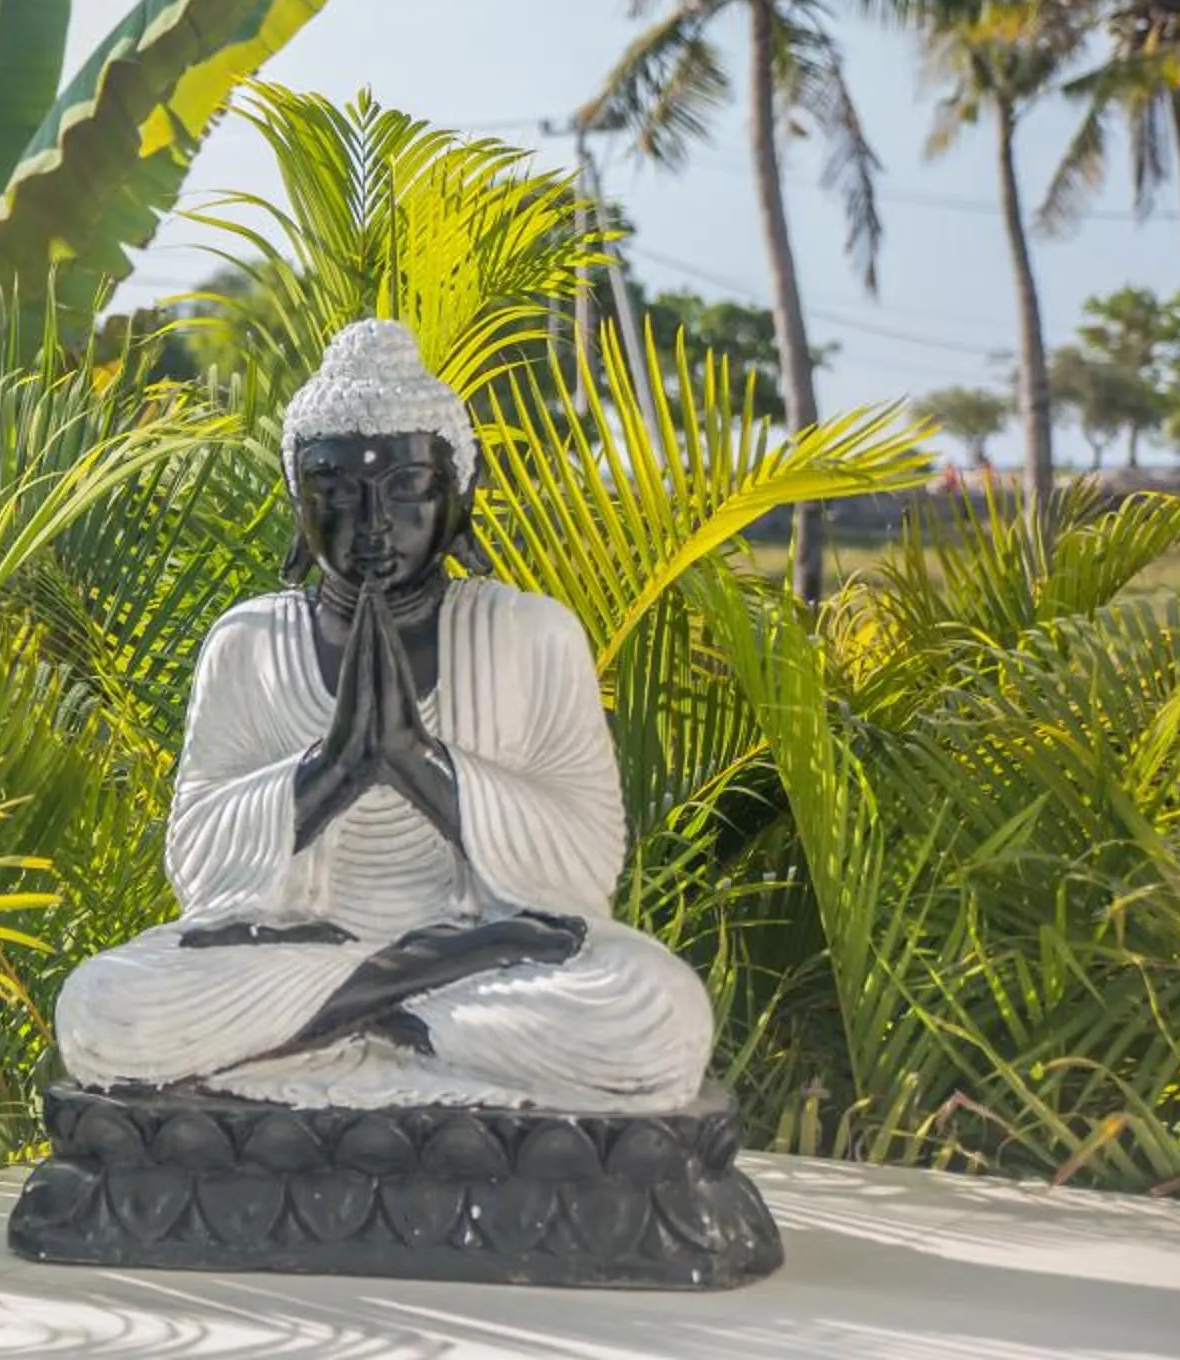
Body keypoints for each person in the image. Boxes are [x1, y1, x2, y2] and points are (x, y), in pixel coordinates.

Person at [51, 319, 714, 1112]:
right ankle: (396, 999)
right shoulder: (249, 640)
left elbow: (585, 864)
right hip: (320, 959)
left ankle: (327, 1034)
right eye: (335, 492)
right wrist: (329, 775)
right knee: (102, 1009)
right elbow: (197, 864)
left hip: (488, 968)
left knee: (658, 1016)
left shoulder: (531, 632)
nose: (372, 523)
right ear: (299, 501)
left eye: (406, 490)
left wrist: (422, 766)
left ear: (460, 496)